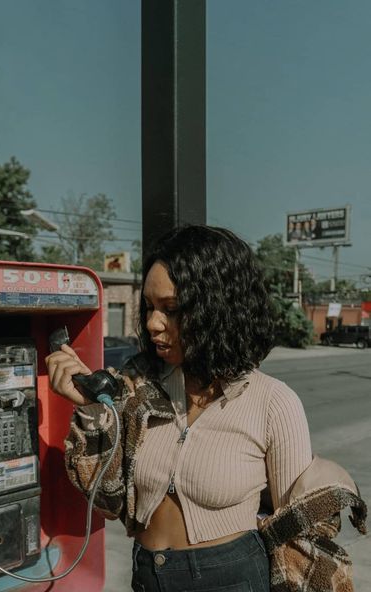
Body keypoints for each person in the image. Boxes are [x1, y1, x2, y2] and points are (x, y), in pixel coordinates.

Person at [46, 225, 313, 592]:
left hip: (231, 579)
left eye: (171, 310)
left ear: (217, 310)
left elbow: (297, 536)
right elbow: (106, 502)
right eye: (150, 308)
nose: (154, 324)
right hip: (148, 575)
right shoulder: (138, 387)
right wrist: (92, 410)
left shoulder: (273, 403)